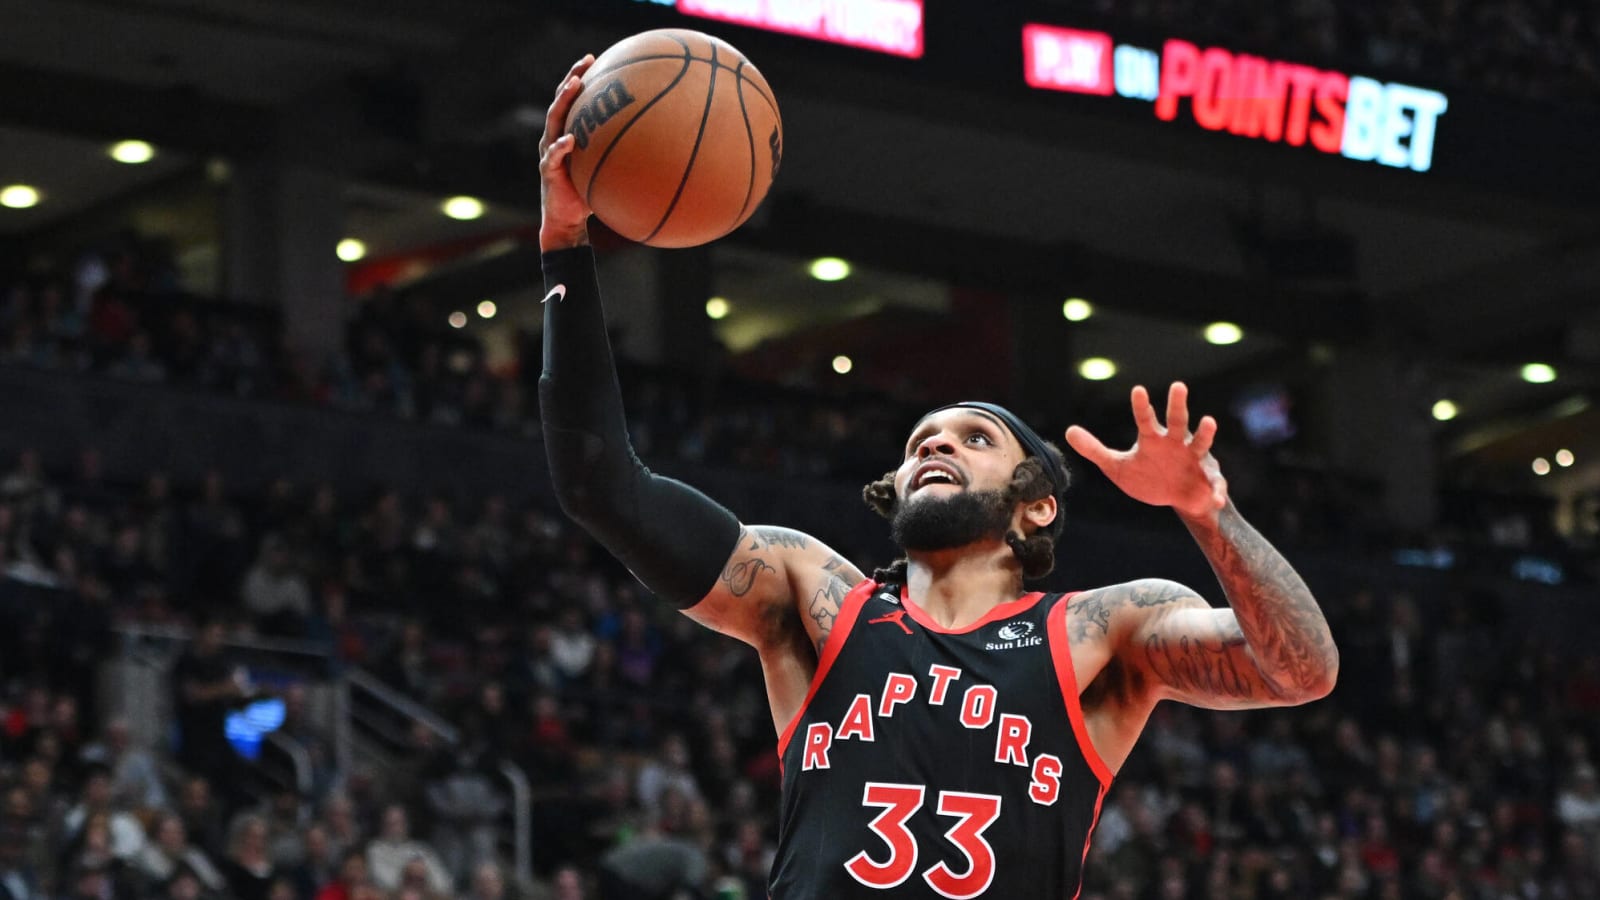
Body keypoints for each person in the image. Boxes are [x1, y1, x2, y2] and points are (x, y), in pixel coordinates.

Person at [536, 55, 1338, 899]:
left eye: (972, 437)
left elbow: (1302, 673)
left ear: (1035, 507)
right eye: (920, 439)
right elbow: (602, 487)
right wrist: (564, 246)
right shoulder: (814, 600)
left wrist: (1210, 516)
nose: (934, 447)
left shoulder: (1100, 632)